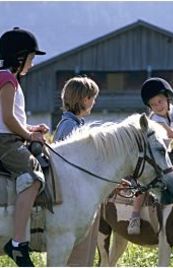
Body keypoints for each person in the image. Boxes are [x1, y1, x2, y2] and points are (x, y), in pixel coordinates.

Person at [127, 77, 173, 235]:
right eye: (153, 105)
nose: (157, 106)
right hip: (152, 153)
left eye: (160, 101)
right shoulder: (156, 120)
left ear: (168, 98)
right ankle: (134, 216)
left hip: (166, 152)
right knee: (144, 180)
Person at [0, 27, 48, 266]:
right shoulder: (7, 78)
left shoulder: (9, 79)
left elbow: (10, 119)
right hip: (4, 143)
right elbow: (8, 120)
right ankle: (18, 243)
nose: (32, 63)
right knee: (34, 176)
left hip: (9, 137)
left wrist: (31, 127)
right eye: (31, 58)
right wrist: (29, 136)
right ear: (19, 58)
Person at [53, 76, 100, 266]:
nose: (94, 102)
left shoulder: (75, 124)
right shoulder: (70, 127)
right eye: (93, 97)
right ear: (85, 99)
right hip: (73, 199)